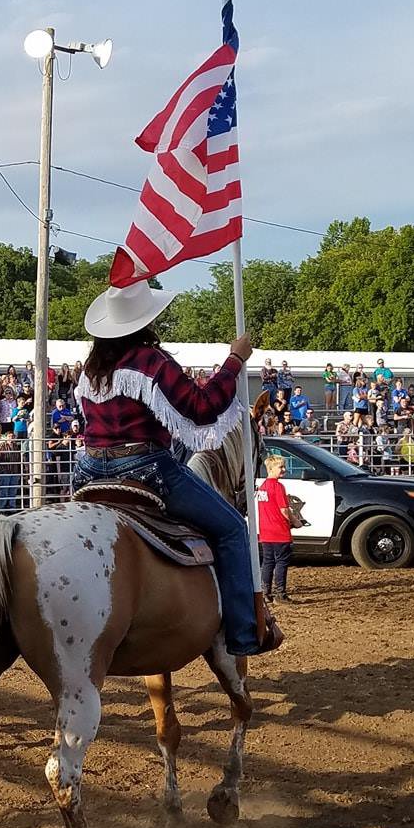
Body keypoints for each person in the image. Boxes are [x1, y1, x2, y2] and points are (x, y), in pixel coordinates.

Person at [73, 282, 281, 657]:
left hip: (88, 472)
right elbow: (202, 408)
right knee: (233, 528)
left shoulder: (91, 369)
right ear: (146, 321)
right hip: (144, 468)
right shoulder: (150, 362)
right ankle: (245, 634)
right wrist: (234, 361)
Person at [254, 452, 295, 603]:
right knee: (282, 562)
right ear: (271, 468)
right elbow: (284, 510)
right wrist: (295, 521)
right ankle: (280, 594)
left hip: (266, 531)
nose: (283, 470)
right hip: (279, 531)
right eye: (281, 467)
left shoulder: (262, 487)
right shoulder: (278, 487)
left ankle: (265, 592)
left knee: (268, 562)